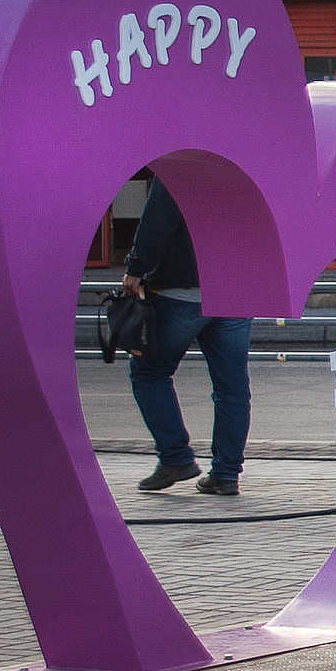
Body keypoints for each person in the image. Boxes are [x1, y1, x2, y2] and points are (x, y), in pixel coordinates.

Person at [123, 177, 252, 496]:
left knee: (149, 372)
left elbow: (157, 220)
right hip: (237, 288)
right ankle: (225, 473)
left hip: (182, 289)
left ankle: (175, 456)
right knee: (232, 387)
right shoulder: (243, 164)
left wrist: (136, 268)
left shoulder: (180, 164)